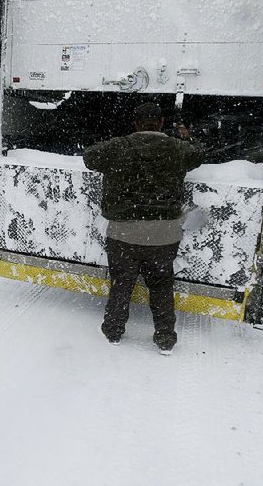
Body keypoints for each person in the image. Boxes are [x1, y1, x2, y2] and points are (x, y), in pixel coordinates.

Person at [83, 103, 205, 355]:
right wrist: (187, 136)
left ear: (136, 124)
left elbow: (89, 157)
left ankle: (114, 331)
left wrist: (116, 144)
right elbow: (198, 154)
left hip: (123, 233)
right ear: (161, 123)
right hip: (164, 234)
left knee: (121, 283)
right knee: (161, 285)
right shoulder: (176, 149)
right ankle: (165, 339)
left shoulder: (119, 147)